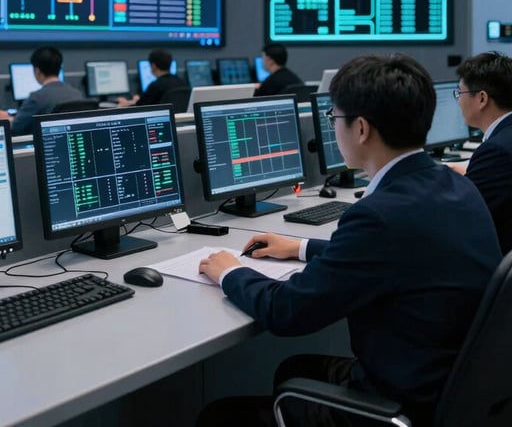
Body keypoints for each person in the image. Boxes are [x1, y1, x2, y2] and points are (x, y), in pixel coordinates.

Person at [197, 54, 501, 427]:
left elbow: (287, 311)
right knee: (296, 368)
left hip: (402, 407)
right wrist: (302, 247)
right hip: (450, 385)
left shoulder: (378, 215)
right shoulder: (455, 185)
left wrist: (231, 272)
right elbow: (399, 254)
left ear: (360, 129)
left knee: (220, 417)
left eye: (333, 118)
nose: (332, 128)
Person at [448, 51, 512, 253]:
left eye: (460, 93)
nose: (458, 102)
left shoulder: (496, 151)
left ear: (482, 98)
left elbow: (463, 219)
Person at [0, 46, 83, 136]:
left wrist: (6, 119)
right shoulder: (77, 94)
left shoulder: (37, 98)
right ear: (59, 68)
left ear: (37, 71)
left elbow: (16, 128)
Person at [116, 48, 186, 107]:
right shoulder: (182, 82)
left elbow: (140, 108)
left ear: (153, 66)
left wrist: (126, 104)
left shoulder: (156, 86)